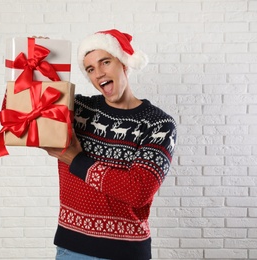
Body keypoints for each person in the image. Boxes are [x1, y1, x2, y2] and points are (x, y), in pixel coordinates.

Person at [44, 29, 177, 260]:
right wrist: (38, 65)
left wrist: (75, 160)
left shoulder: (158, 124)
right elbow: (23, 117)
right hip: (71, 249)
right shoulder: (77, 110)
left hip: (126, 253)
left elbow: (138, 191)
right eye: (90, 69)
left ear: (123, 64)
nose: (98, 73)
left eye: (105, 62)